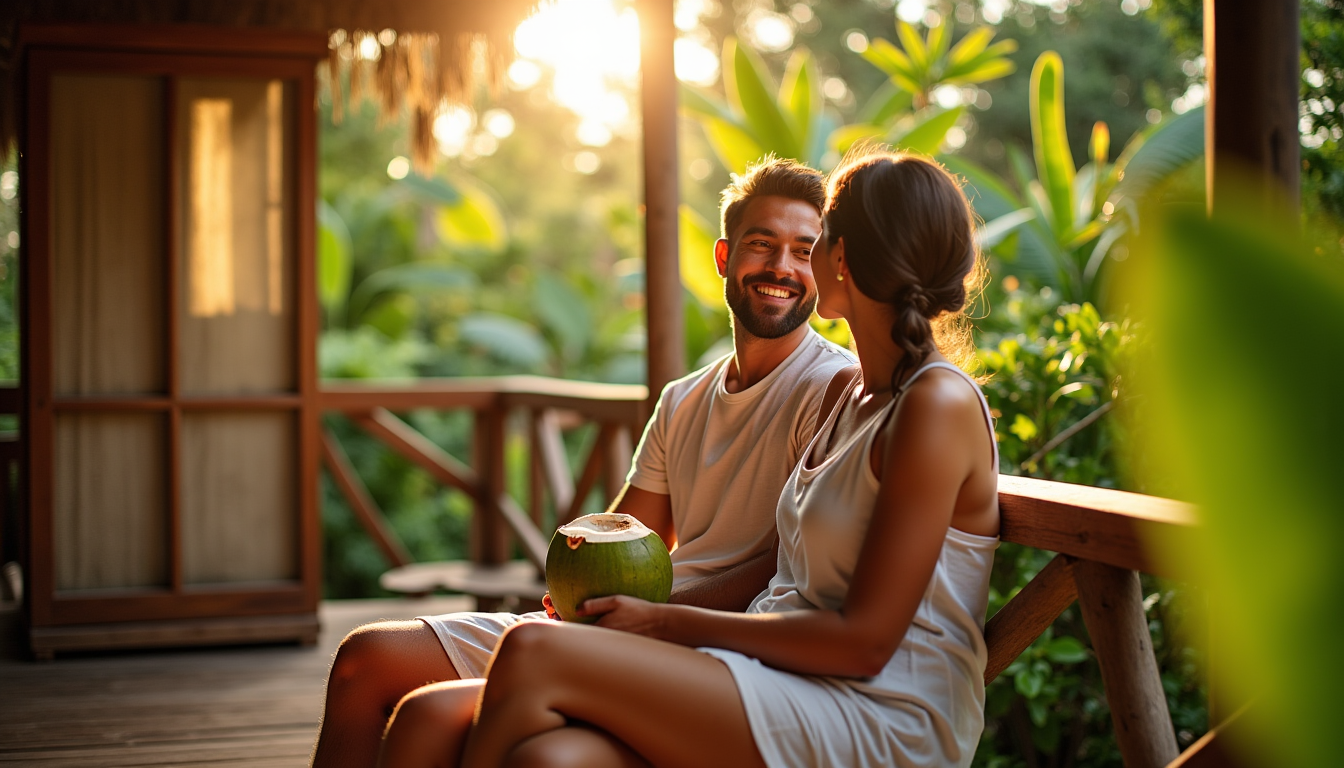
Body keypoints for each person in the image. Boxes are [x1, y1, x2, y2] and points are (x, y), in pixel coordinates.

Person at [374, 148, 1001, 768]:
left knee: (532, 651)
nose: (797, 261)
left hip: (880, 712)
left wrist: (662, 622)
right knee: (465, 729)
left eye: (815, 240)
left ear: (840, 257)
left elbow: (863, 645)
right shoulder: (854, 397)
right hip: (779, 675)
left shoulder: (935, 404)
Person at [309, 157, 857, 768]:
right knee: (366, 659)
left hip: (706, 641)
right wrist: (577, 589)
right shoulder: (682, 398)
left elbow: (789, 565)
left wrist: (653, 616)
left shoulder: (834, 388)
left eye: (803, 251)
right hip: (629, 621)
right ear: (725, 258)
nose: (782, 267)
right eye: (762, 244)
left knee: (434, 715)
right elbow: (624, 533)